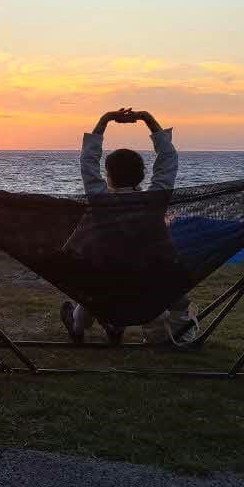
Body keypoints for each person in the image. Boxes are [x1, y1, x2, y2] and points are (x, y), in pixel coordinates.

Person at [59, 107, 197, 346]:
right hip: (147, 287)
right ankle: (115, 325)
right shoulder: (154, 201)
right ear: (143, 175)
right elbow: (168, 160)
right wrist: (148, 119)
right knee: (122, 280)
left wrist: (104, 120)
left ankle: (80, 326)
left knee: (92, 284)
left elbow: (87, 161)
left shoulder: (100, 200)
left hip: (102, 285)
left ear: (108, 176)